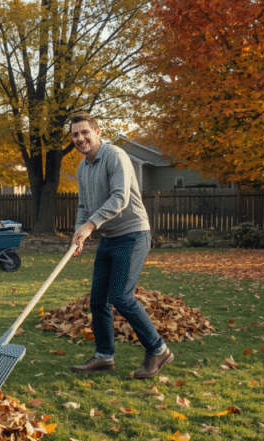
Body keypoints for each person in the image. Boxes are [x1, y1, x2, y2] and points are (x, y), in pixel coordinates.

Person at [67, 112, 173, 379]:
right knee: (99, 299)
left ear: (97, 132)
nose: (80, 138)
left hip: (133, 234)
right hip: (109, 237)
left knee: (121, 296)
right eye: (75, 135)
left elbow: (119, 198)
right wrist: (80, 232)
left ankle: (158, 349)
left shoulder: (115, 156)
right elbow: (83, 206)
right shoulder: (82, 168)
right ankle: (104, 356)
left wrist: (91, 225)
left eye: (84, 132)